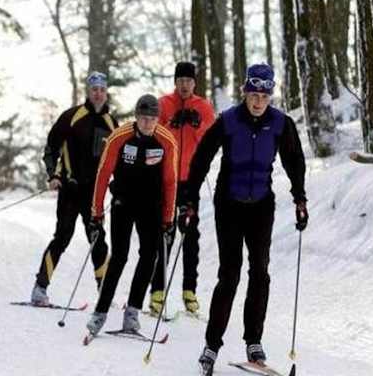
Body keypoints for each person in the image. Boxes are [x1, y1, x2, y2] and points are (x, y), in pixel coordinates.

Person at [182, 64, 309, 375]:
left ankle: (253, 341)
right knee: (230, 275)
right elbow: (201, 159)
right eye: (253, 96)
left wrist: (300, 198)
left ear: (270, 96)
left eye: (264, 97)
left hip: (261, 205)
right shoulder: (227, 120)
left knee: (260, 272)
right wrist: (189, 199)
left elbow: (294, 160)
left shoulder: (281, 123)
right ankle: (211, 345)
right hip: (229, 204)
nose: (258, 102)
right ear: (245, 93)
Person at [85, 94, 178, 336]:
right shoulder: (120, 136)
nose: (148, 123)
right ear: (136, 117)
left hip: (151, 205)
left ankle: (132, 314)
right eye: (144, 118)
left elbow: (170, 182)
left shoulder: (166, 140)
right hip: (123, 202)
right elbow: (103, 174)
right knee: (119, 256)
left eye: (153, 119)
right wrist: (96, 212)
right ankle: (99, 313)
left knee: (149, 256)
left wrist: (168, 218)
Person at [30, 71, 118, 305]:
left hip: (94, 194)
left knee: (98, 240)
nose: (98, 94)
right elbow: (51, 148)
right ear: (88, 92)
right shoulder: (72, 116)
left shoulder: (112, 123)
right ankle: (40, 288)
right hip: (70, 189)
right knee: (62, 237)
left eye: (102, 90)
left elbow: (116, 159)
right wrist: (53, 175)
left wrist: (118, 185)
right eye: (94, 89)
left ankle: (104, 293)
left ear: (106, 92)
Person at [150, 61, 215, 316]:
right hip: (166, 179)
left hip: (190, 180)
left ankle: (190, 291)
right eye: (180, 81)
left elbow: (210, 142)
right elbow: (153, 136)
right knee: (164, 232)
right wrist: (172, 124)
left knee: (190, 233)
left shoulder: (203, 106)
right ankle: (157, 291)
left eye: (188, 81)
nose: (184, 85)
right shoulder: (163, 104)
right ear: (175, 82)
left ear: (194, 83)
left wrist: (197, 125)